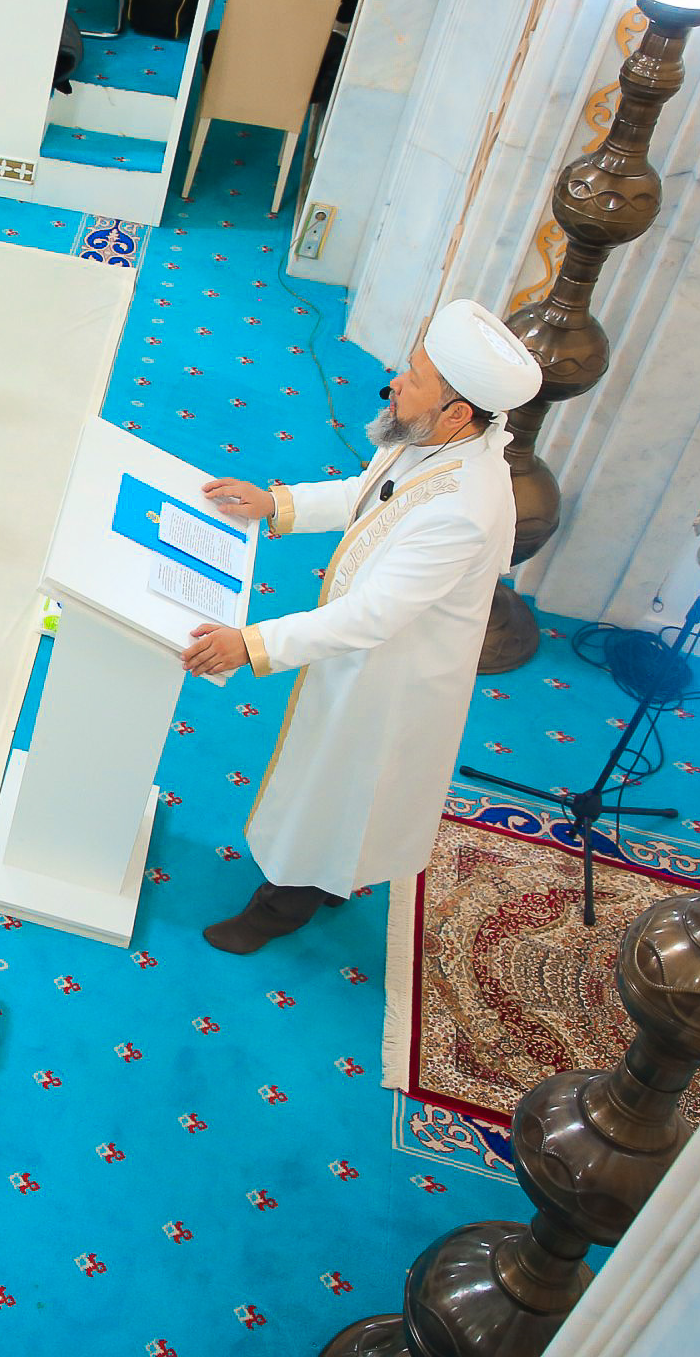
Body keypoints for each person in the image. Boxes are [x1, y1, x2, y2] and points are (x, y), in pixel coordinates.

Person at [191, 300, 541, 955]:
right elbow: (368, 493)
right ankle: (324, 878)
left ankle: (280, 907)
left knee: (333, 788)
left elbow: (373, 614)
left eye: (414, 377)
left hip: (391, 677)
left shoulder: (463, 510)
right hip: (364, 653)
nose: (395, 383)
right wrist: (277, 503)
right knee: (342, 791)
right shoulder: (435, 440)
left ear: (457, 412)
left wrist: (251, 644)